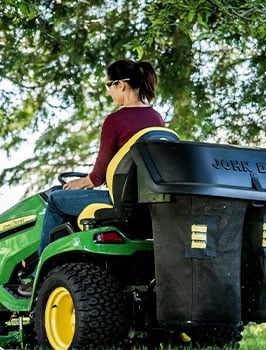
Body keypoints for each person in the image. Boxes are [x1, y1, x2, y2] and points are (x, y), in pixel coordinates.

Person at [18, 59, 165, 296]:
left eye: (109, 85)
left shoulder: (115, 121)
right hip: (146, 203)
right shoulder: (156, 119)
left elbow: (96, 176)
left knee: (56, 199)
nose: (108, 92)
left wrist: (77, 184)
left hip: (117, 200)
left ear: (121, 85)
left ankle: (37, 274)